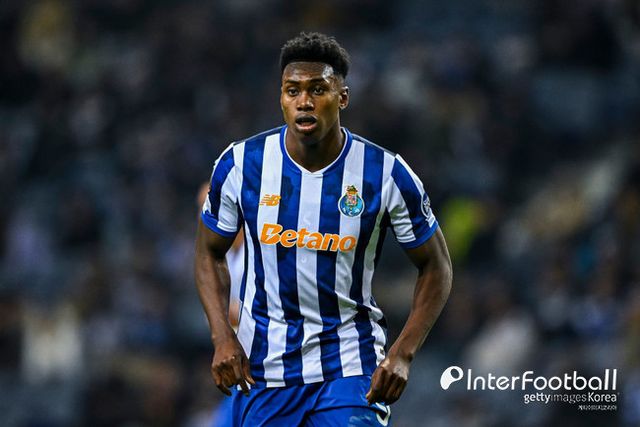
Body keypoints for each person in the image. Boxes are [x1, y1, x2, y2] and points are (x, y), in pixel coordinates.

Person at [194, 32, 452, 426]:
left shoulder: (385, 173)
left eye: (318, 89)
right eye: (292, 91)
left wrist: (402, 353)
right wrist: (221, 336)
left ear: (342, 97)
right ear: (281, 98)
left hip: (350, 366)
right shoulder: (241, 164)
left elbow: (436, 265)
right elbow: (208, 252)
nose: (304, 101)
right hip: (265, 371)